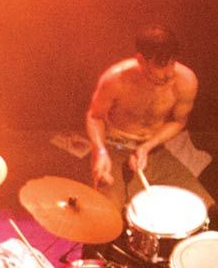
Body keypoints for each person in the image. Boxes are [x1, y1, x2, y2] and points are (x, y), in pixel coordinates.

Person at [83, 24, 207, 203]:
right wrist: (100, 152)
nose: (168, 74)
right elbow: (94, 117)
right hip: (115, 145)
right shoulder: (115, 79)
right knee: (108, 214)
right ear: (141, 60)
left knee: (202, 207)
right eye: (160, 65)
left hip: (153, 147)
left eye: (172, 63)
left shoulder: (186, 81)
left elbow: (178, 122)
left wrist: (147, 146)